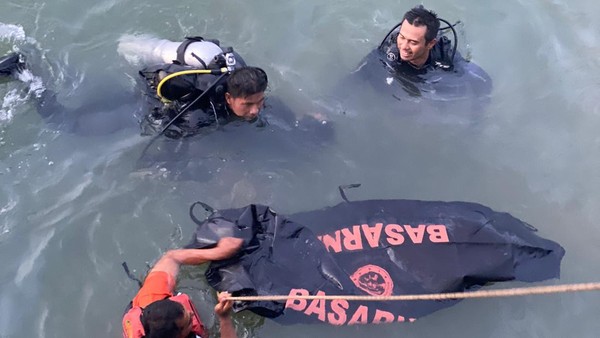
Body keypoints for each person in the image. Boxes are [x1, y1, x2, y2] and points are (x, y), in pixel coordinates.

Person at [340, 5, 492, 121]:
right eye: (402, 37)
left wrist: (477, 114)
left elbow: (483, 80)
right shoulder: (390, 51)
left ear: (430, 44)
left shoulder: (444, 55)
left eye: (413, 42)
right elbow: (357, 76)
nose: (404, 47)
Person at [119, 35, 269, 139]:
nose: (255, 110)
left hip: (205, 55)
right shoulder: (198, 108)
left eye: (260, 101)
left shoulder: (247, 83)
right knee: (124, 46)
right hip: (153, 78)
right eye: (248, 104)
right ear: (228, 98)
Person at [122, 237, 244, 338]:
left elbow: (172, 258)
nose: (191, 314)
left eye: (186, 311)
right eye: (189, 322)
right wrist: (224, 318)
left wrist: (220, 252)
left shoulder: (150, 297)